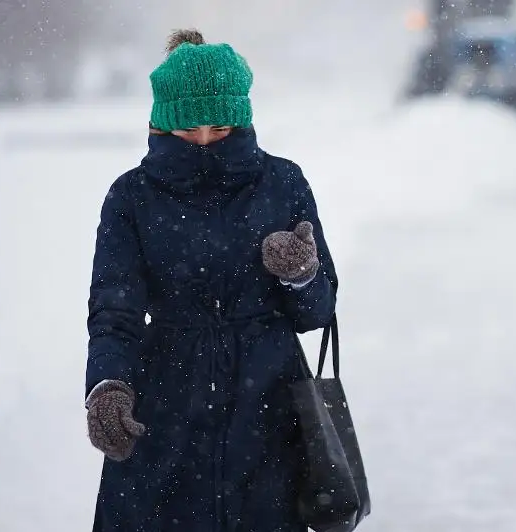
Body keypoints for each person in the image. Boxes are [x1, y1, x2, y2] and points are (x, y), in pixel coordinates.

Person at [84, 29, 338, 532]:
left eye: (220, 128)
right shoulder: (131, 198)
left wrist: (300, 275)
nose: (204, 141)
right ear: (162, 124)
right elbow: (115, 309)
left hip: (269, 407)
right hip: (168, 405)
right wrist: (107, 384)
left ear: (241, 117)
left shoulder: (283, 182)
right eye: (189, 129)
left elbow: (318, 312)